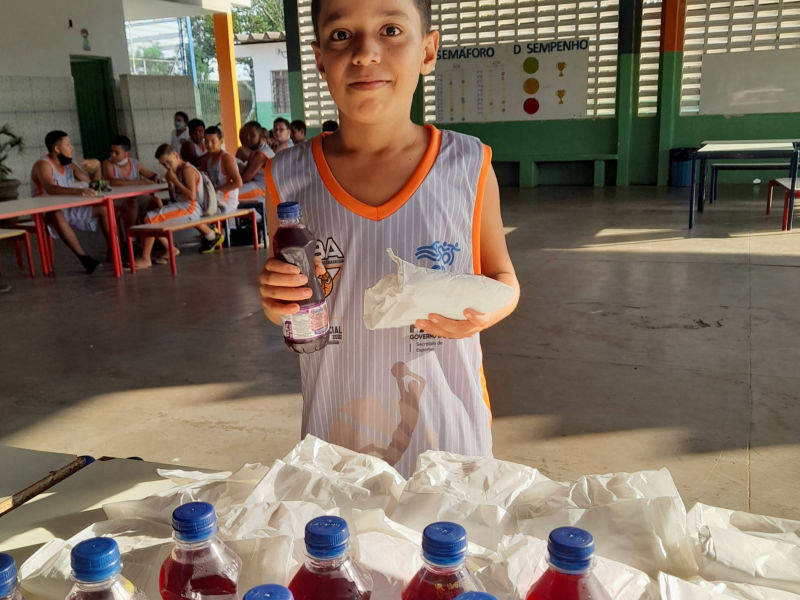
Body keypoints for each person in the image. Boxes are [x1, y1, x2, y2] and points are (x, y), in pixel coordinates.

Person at [258, 0, 520, 476]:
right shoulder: (288, 177)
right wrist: (276, 301)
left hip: (450, 442)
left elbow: (505, 280)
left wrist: (487, 313)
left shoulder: (468, 166)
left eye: (391, 30)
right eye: (341, 35)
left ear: (428, 50)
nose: (365, 52)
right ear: (319, 59)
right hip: (335, 444)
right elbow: (289, 305)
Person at [30, 130, 111, 274]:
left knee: (103, 209)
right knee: (56, 213)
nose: (71, 148)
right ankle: (84, 258)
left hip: (68, 208)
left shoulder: (69, 165)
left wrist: (97, 168)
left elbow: (94, 185)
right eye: (67, 145)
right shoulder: (43, 165)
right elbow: (50, 188)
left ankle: (114, 250)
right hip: (45, 213)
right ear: (57, 148)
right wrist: (78, 191)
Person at [134, 144, 223, 270]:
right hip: (183, 206)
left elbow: (192, 196)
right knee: (153, 211)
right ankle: (171, 249)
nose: (167, 167)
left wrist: (175, 181)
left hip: (191, 209)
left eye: (169, 162)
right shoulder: (177, 171)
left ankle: (145, 258)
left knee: (149, 219)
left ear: (176, 155)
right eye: (164, 165)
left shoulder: (187, 170)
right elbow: (175, 199)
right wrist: (171, 184)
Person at [102, 134, 163, 235]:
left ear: (127, 153)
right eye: (111, 152)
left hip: (137, 196)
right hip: (118, 199)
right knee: (132, 204)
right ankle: (131, 236)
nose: (113, 155)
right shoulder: (107, 164)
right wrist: (140, 182)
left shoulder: (134, 163)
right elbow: (113, 182)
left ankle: (155, 234)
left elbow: (150, 174)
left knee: (156, 203)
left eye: (116, 153)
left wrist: (156, 178)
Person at [200, 126, 242, 213]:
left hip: (226, 202)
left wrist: (215, 191)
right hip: (215, 198)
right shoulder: (208, 159)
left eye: (213, 141)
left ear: (221, 141)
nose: (209, 144)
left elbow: (238, 183)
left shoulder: (226, 158)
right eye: (206, 141)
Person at [238, 121, 270, 202]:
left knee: (228, 195)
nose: (248, 138)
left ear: (261, 136)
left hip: (263, 190)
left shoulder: (261, 154)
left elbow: (244, 179)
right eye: (246, 135)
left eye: (252, 135)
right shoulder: (258, 150)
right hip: (257, 185)